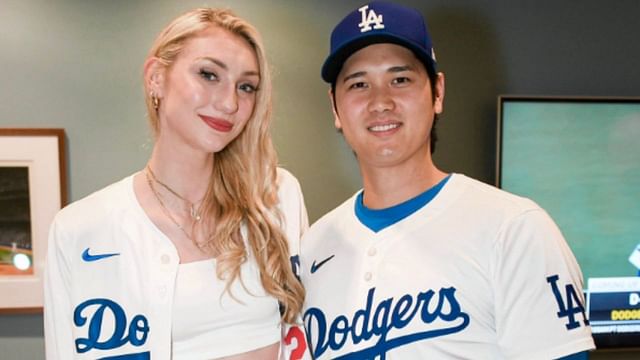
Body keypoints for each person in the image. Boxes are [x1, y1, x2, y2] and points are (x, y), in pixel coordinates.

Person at [299, 2, 595, 359]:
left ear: (437, 92)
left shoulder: (514, 229)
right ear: (335, 107)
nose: (381, 102)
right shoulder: (315, 245)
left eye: (400, 79)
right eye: (359, 84)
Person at [44, 7, 310, 360]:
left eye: (246, 86)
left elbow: (306, 329)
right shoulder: (81, 229)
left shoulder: (276, 197)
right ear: (156, 77)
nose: (230, 102)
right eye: (208, 74)